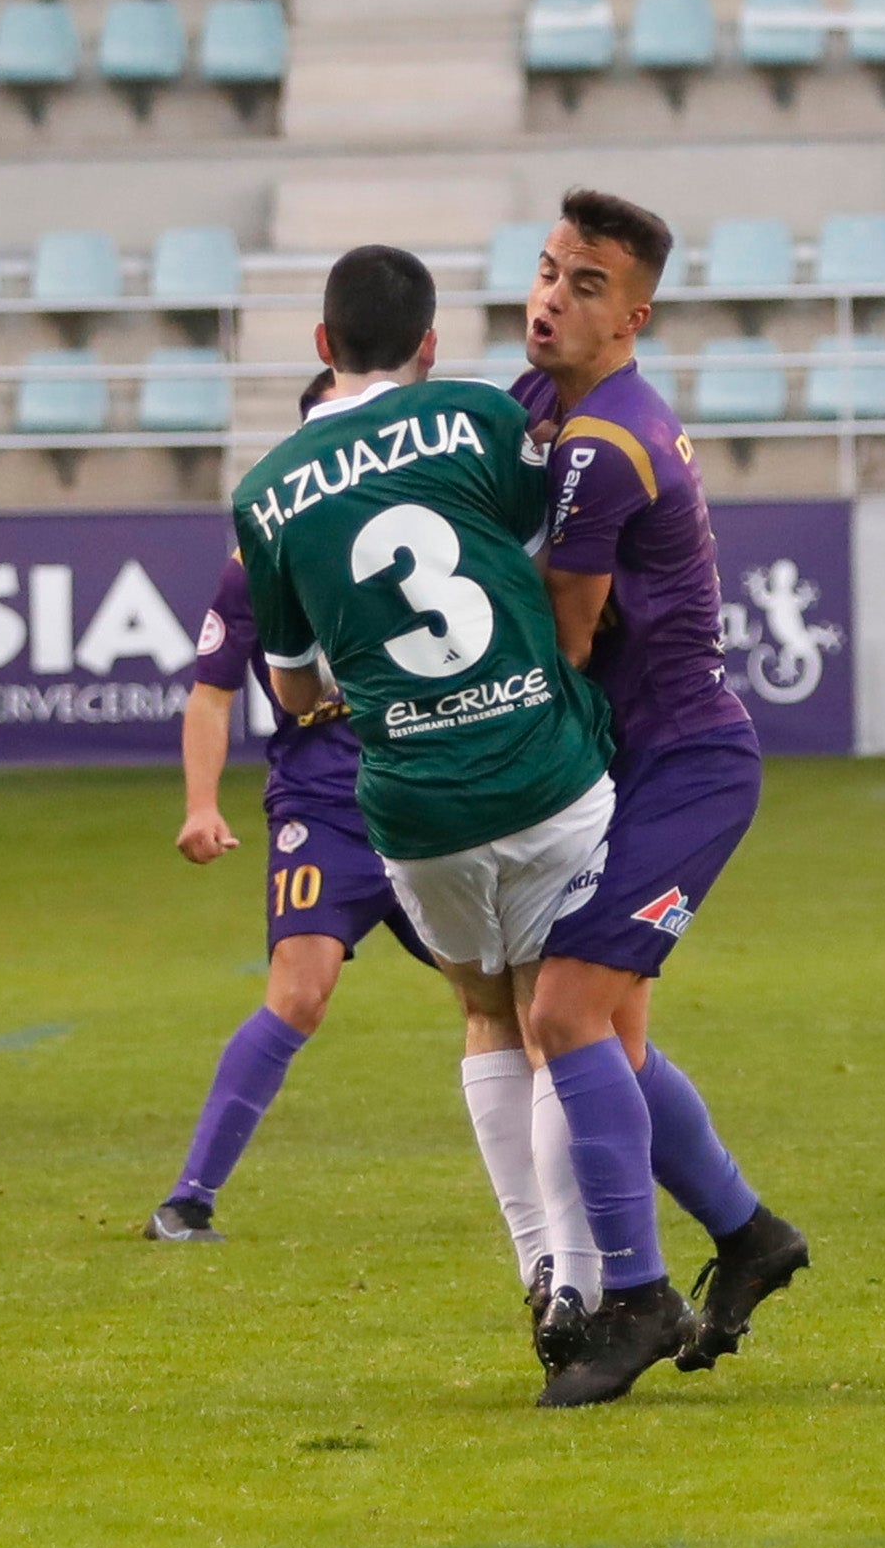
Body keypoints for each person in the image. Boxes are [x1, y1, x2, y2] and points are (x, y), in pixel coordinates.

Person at [232, 245, 620, 1367]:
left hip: (411, 801)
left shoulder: (265, 496)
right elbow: (554, 576)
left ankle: (538, 1263)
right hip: (541, 769)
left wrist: (347, 681)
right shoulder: (478, 419)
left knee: (490, 1016)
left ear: (320, 347)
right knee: (571, 1024)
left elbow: (295, 688)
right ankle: (586, 1287)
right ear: (431, 345)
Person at [512, 188, 808, 1409]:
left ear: (632, 316)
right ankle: (749, 1235)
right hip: (642, 763)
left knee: (566, 1013)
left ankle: (635, 1296)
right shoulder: (547, 403)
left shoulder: (605, 442)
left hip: (686, 768)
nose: (550, 299)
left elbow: (568, 638)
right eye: (545, 269)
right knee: (610, 1037)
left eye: (585, 286)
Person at [145, 370, 434, 1245]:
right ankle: (189, 1200)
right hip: (326, 801)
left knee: (524, 1000)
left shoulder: (422, 523)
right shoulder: (261, 556)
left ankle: (597, 1194)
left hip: (431, 795)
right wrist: (201, 804)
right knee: (300, 992)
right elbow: (210, 692)